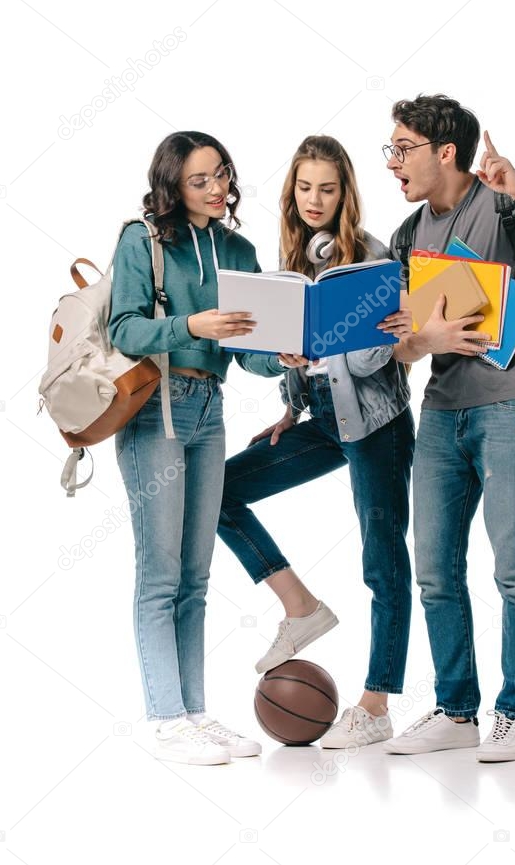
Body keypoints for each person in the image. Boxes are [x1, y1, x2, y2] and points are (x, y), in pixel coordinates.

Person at [377, 94, 515, 761]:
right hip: (442, 411)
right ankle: (455, 708)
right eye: (389, 150)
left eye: (401, 148)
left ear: (445, 151)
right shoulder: (409, 236)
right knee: (435, 569)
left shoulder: (504, 202)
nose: (392, 163)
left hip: (511, 406)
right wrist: (426, 337)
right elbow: (401, 348)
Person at [216, 135, 415, 750]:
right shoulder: (294, 257)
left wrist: (328, 344)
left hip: (377, 424)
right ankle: (300, 607)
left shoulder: (375, 259)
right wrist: (289, 393)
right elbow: (289, 356)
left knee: (382, 562)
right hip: (324, 420)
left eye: (327, 188)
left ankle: (376, 705)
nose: (314, 199)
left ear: (345, 193)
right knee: (217, 490)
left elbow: (380, 359)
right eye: (304, 187)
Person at [109, 130, 289, 766]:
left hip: (209, 409)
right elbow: (124, 327)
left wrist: (285, 354)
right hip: (155, 408)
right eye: (199, 181)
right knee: (160, 575)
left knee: (196, 577)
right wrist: (191, 325)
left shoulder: (237, 248)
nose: (217, 190)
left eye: (221, 176)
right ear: (171, 185)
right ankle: (165, 718)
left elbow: (250, 352)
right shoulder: (143, 239)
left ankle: (196, 714)